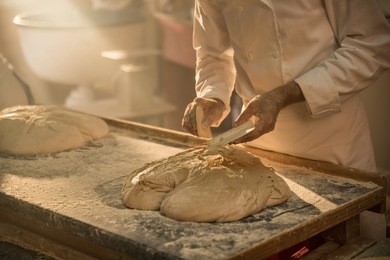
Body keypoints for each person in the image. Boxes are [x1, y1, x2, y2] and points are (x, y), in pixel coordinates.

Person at [182, 0, 390, 239]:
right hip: (259, 142)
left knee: (347, 242)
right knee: (271, 241)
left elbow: (373, 45)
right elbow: (213, 53)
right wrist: (213, 95)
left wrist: (285, 94)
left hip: (330, 138)